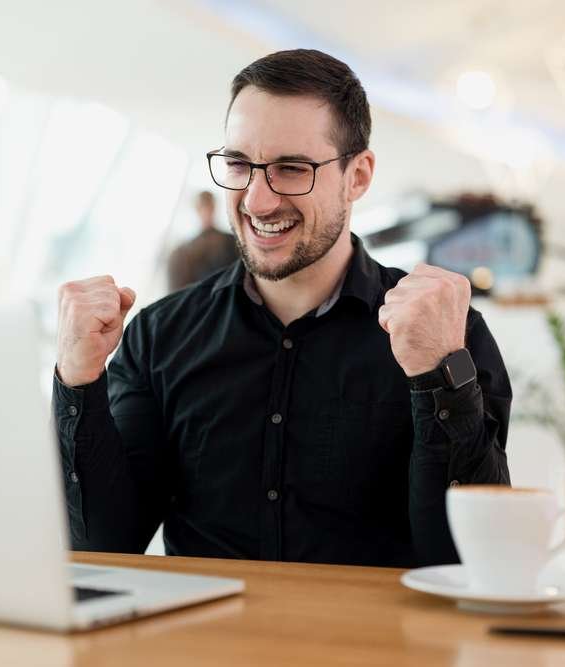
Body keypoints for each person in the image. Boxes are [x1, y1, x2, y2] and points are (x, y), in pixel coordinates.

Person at [52, 49, 511, 567]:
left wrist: (436, 375)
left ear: (357, 176)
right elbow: (105, 548)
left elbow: (473, 560)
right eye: (240, 165)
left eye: (292, 169)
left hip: (381, 647)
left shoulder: (451, 336)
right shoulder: (160, 337)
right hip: (205, 645)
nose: (257, 201)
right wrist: (77, 380)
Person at [166, 191, 239, 291]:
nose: (206, 212)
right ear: (197, 210)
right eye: (203, 208)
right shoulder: (183, 252)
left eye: (209, 207)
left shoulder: (233, 242)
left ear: (214, 208)